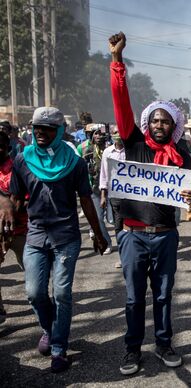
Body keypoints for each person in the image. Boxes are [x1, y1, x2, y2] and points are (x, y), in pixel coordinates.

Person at [109, 32, 191, 376]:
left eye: (166, 121)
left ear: (173, 125)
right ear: (148, 123)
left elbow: (184, 194)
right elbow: (121, 102)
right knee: (133, 298)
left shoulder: (182, 157)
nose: (160, 125)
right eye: (155, 120)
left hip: (164, 235)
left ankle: (163, 343)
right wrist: (117, 61)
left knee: (163, 295)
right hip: (132, 235)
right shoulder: (134, 143)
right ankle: (132, 349)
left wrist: (189, 196)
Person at [6, 106, 108, 373]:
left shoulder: (74, 162)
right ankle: (49, 330)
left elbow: (85, 199)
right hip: (36, 236)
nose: (40, 132)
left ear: (59, 131)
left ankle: (59, 348)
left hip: (66, 237)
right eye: (37, 127)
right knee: (34, 293)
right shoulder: (23, 159)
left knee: (62, 294)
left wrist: (98, 234)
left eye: (47, 128)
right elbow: (16, 199)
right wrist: (5, 229)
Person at [0, 131, 28, 325]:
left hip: (22, 232)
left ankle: (45, 308)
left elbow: (27, 198)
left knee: (34, 277)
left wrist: (13, 207)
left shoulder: (18, 167)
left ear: (7, 149)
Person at [81, 124, 112, 254]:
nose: (99, 136)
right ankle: (107, 242)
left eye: (101, 133)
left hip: (111, 190)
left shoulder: (111, 149)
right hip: (94, 190)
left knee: (113, 220)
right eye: (96, 133)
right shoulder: (85, 150)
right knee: (98, 218)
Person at [99, 125, 126, 268]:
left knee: (131, 226)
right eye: (115, 132)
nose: (118, 135)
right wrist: (103, 195)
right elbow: (104, 174)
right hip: (115, 195)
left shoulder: (131, 150)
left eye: (120, 132)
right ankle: (122, 257)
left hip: (131, 196)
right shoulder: (108, 152)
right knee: (118, 226)